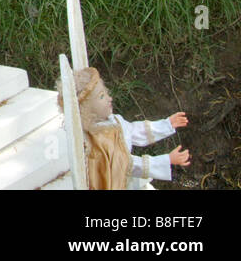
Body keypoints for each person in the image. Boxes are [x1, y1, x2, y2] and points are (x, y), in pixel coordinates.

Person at [62, 66, 190, 190]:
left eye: (106, 92)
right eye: (101, 96)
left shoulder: (113, 120)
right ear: (87, 109)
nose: (109, 98)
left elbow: (133, 131)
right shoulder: (100, 139)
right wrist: (167, 160)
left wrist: (166, 125)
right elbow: (127, 164)